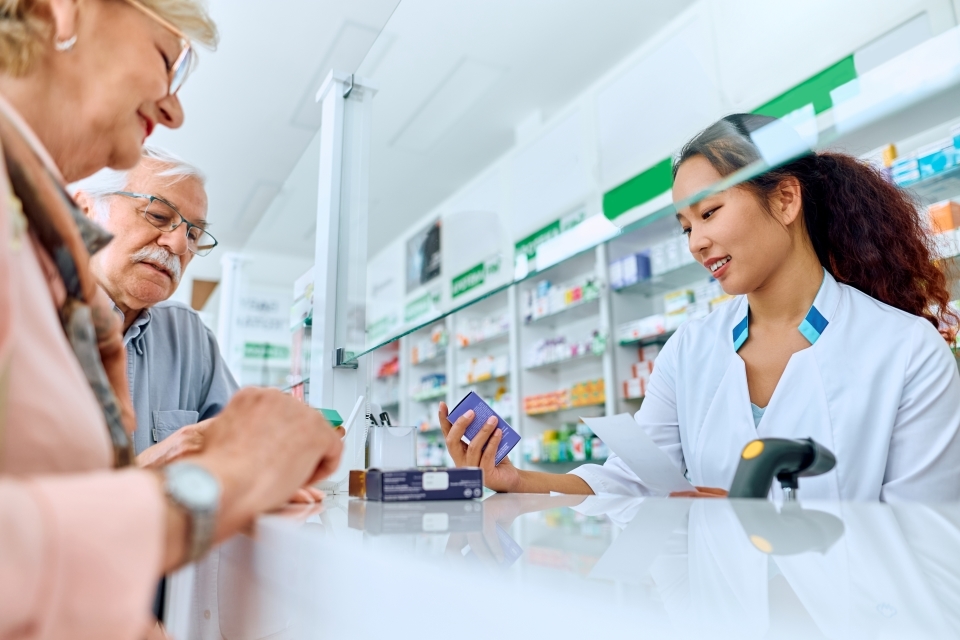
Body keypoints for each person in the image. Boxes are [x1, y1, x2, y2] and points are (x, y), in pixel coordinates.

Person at [0, 1, 342, 639]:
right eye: (164, 60)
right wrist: (220, 483)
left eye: (195, 234)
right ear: (61, 10)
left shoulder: (45, 254)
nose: (173, 110)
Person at [441, 113, 960, 502]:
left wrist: (754, 522)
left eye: (710, 212)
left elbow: (924, 538)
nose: (696, 243)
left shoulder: (906, 351)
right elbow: (630, 480)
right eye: (686, 227)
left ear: (784, 200)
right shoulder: (690, 349)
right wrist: (516, 480)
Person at [72, 147, 239, 466]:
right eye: (159, 216)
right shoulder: (25, 312)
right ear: (85, 211)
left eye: (194, 234)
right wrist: (141, 475)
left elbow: (238, 450)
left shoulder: (189, 336)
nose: (178, 245)